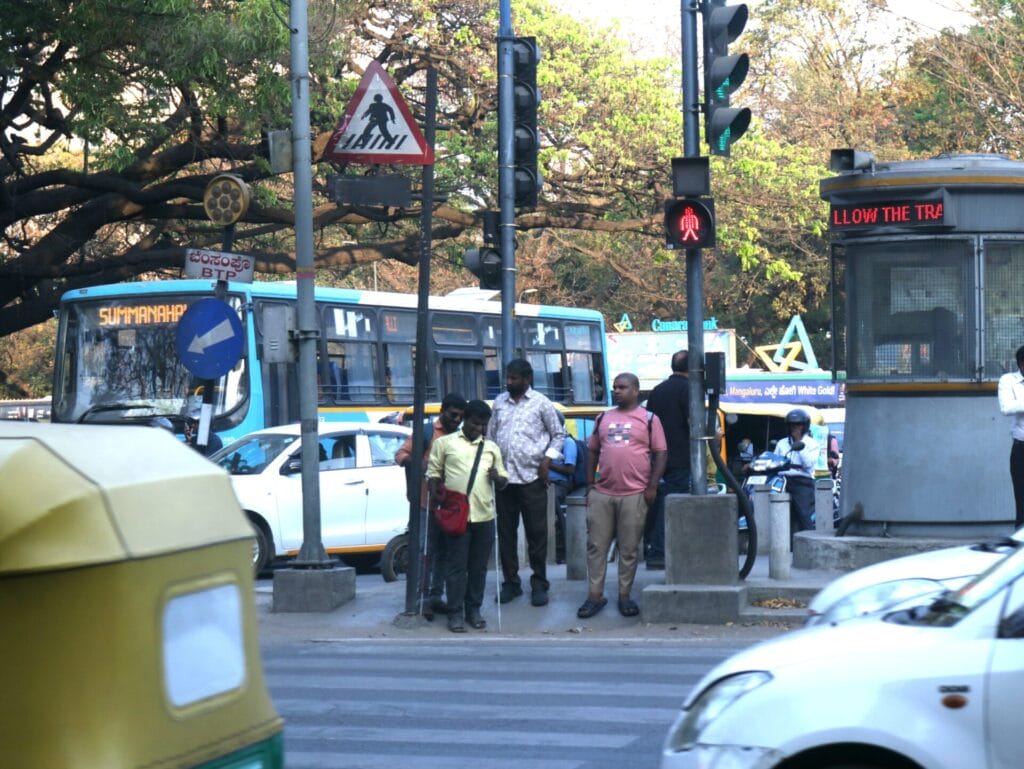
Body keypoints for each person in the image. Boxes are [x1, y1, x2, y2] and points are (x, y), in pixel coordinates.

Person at [577, 373, 667, 620]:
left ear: (636, 390)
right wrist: (589, 484)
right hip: (602, 493)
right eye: (614, 387)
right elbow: (592, 451)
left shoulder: (649, 419)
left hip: (635, 494)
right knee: (596, 546)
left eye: (622, 387)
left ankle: (624, 596)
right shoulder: (603, 418)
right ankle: (595, 596)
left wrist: (652, 487)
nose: (617, 391)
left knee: (629, 549)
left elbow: (660, 454)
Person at [488, 358, 566, 607]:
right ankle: (511, 583)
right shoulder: (499, 402)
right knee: (506, 535)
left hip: (533, 478)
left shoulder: (541, 403)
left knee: (537, 535)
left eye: (514, 378)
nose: (509, 382)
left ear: (527, 379)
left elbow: (558, 435)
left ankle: (539, 583)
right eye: (507, 378)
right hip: (503, 480)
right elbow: (490, 436)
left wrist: (547, 461)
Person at [427, 399, 508, 633]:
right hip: (456, 515)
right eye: (474, 423)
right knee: (456, 567)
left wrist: (498, 477)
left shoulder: (491, 448)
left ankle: (473, 609)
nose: (478, 429)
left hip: (484, 515)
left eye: (483, 425)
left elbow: (503, 481)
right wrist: (438, 501)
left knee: (479, 568)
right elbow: (433, 475)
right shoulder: (444, 444)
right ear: (464, 419)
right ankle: (455, 612)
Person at [395, 393, 466, 620]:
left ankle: (437, 596)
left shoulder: (460, 435)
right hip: (426, 503)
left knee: (444, 553)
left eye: (460, 417)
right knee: (426, 551)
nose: (456, 420)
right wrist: (420, 462)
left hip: (449, 504)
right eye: (453, 415)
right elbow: (400, 455)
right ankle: (421, 598)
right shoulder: (426, 433)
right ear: (442, 411)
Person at [643, 349, 691, 569]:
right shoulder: (689, 390)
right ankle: (659, 552)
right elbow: (694, 423)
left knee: (656, 503)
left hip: (655, 457)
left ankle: (651, 547)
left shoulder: (657, 391)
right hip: (680, 457)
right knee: (671, 504)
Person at [775, 408, 819, 533]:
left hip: (801, 481)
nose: (795, 428)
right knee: (778, 513)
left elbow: (808, 465)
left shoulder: (812, 444)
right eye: (792, 425)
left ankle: (809, 541)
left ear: (805, 426)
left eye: (798, 424)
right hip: (782, 480)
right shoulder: (782, 443)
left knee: (804, 515)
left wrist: (800, 444)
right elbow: (774, 460)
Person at [997, 344, 1024, 527]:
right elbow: (1006, 408)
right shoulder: (1008, 380)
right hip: (1021, 449)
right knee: (1022, 500)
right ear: (1021, 364)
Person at [547, 410, 578, 564]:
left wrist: (548, 463)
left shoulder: (567, 442)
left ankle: (561, 550)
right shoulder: (546, 442)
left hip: (560, 484)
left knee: (554, 509)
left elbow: (570, 470)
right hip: (544, 483)